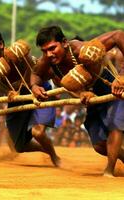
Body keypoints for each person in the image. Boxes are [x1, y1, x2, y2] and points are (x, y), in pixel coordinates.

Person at [31, 25, 124, 177]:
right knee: (99, 145)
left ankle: (109, 171)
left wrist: (122, 75)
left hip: (110, 88)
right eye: (44, 50)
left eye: (53, 48)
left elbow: (118, 35)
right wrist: (35, 86)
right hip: (89, 98)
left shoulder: (82, 49)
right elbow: (36, 73)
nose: (49, 54)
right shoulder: (48, 61)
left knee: (115, 124)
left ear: (65, 42)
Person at [0, 28, 60, 166]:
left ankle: (54, 157)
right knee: (20, 147)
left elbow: (32, 67)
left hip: (38, 90)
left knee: (38, 133)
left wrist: (19, 87)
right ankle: (47, 150)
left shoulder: (15, 53)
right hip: (16, 98)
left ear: (1, 44)